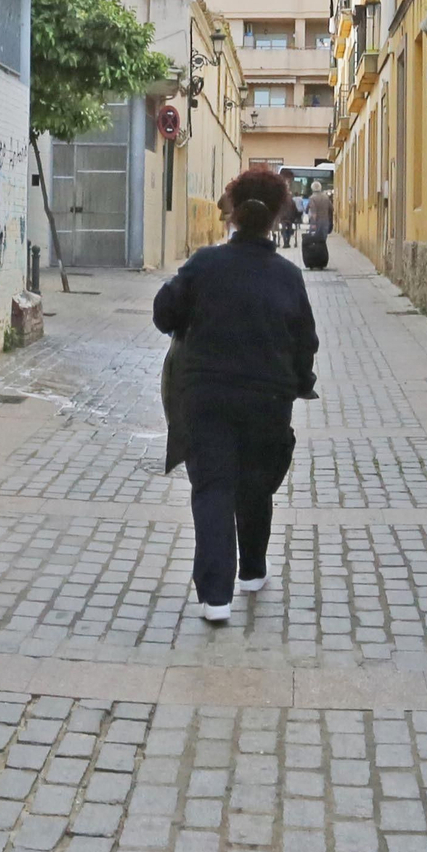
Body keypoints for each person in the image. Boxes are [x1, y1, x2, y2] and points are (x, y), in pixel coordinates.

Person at [153, 168, 320, 622]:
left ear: (233, 212)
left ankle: (215, 597)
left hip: (205, 394)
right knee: (255, 485)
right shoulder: (287, 276)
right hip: (268, 401)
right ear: (275, 217)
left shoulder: (205, 264)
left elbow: (164, 313)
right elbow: (306, 340)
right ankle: (252, 570)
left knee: (212, 487)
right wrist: (301, 382)